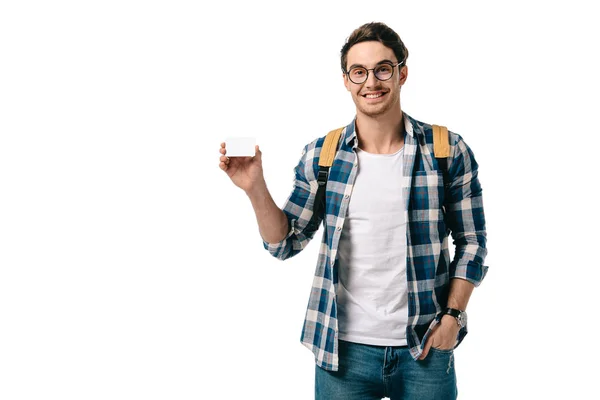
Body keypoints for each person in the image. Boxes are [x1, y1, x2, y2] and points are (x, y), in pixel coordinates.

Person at [218, 21, 488, 400]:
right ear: (346, 80)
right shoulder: (323, 155)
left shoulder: (446, 150)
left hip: (426, 347)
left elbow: (472, 243)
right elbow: (284, 243)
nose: (371, 82)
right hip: (343, 352)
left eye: (382, 69)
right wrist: (254, 187)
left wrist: (452, 320)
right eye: (359, 72)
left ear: (402, 73)